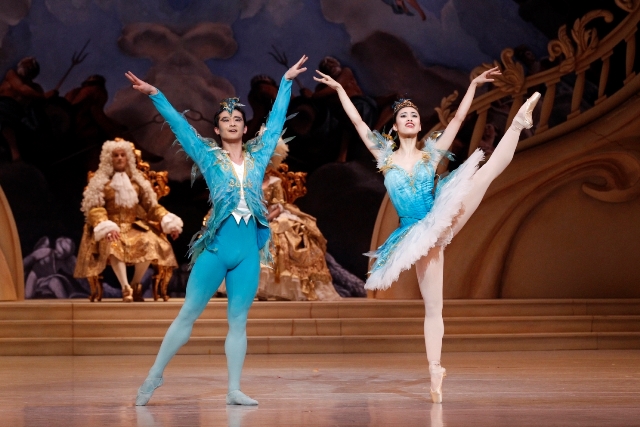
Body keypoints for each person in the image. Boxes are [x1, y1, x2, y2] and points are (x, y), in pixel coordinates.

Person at [314, 67, 540, 403]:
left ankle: (520, 122)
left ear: (419, 126)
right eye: (402, 115)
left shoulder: (431, 153)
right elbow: (359, 125)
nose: (408, 118)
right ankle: (435, 368)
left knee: (487, 171)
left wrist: (474, 84)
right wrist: (340, 90)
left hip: (440, 216)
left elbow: (459, 119)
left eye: (413, 115)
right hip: (414, 234)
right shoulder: (384, 156)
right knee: (433, 307)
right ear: (395, 126)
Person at [125, 54, 308, 406]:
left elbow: (275, 124)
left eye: (237, 118)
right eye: (225, 119)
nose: (232, 123)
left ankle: (234, 388)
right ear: (218, 128)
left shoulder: (258, 155)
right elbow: (180, 126)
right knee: (188, 313)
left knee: (238, 322)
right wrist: (155, 94)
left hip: (247, 251)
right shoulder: (208, 156)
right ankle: (154, 376)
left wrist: (285, 83)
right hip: (217, 246)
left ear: (244, 125)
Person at [74, 139, 183, 301]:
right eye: (115, 155)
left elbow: (152, 207)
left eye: (122, 155)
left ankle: (135, 284)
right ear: (109, 159)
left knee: (150, 242)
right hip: (111, 227)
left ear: (127, 158)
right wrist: (106, 226)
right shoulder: (101, 184)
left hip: (134, 226)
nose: (119, 158)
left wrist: (168, 222)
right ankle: (125, 287)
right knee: (113, 244)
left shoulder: (138, 183)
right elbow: (95, 208)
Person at [258, 138, 341, 301]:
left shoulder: (275, 182)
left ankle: (281, 286)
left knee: (282, 232)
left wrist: (267, 218)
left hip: (273, 215)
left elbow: (279, 205)